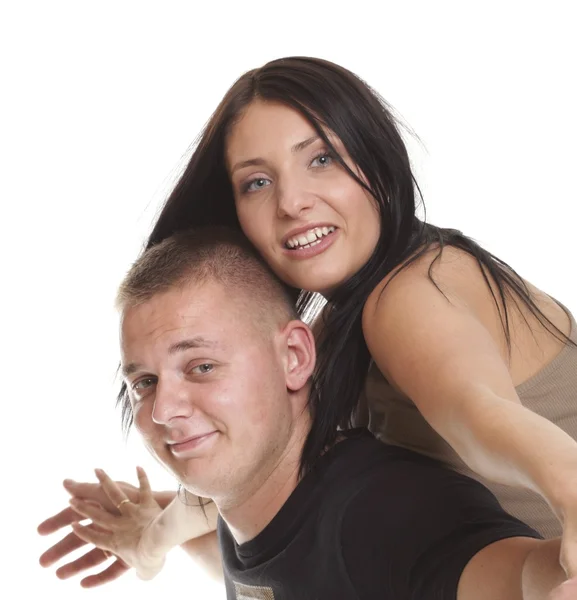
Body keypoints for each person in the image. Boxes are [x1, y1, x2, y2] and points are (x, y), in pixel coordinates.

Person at [38, 56, 577, 585]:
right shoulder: (328, 328)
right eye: (257, 182)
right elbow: (249, 471)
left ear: (376, 158)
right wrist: (150, 539)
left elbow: (477, 414)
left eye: (321, 159)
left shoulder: (408, 296)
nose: (292, 201)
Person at [47, 227, 569, 599]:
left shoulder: (382, 514)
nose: (162, 409)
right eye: (144, 382)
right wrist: (151, 539)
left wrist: (550, 579)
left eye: (202, 366)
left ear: (294, 357)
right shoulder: (252, 505)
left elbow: (512, 572)